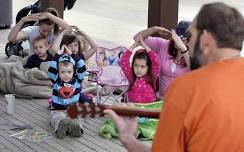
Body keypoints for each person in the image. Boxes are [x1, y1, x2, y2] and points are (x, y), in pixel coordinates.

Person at [104, 2, 244, 152]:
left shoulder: (186, 89)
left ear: (205, 38)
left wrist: (129, 139)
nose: (188, 43)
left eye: (191, 36)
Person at [134, 21, 191, 99]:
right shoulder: (164, 45)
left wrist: (184, 50)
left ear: (189, 40)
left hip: (183, 101)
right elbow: (137, 38)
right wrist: (154, 29)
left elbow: (196, 71)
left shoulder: (195, 54)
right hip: (163, 100)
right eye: (176, 37)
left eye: (181, 39)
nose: (177, 41)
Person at [48, 45, 87, 139]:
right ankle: (60, 127)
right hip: (58, 110)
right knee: (57, 118)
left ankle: (77, 129)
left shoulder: (77, 80)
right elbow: (51, 69)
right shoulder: (56, 79)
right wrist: (57, 55)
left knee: (77, 118)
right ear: (58, 72)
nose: (66, 75)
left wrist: (73, 55)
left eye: (69, 72)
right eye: (63, 72)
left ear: (74, 71)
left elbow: (82, 67)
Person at [120, 35, 160, 103]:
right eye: (136, 65)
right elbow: (124, 60)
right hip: (134, 109)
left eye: (142, 66)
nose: (138, 69)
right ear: (133, 65)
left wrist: (144, 45)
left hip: (149, 108)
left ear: (148, 67)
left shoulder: (152, 76)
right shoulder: (131, 76)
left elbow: (156, 61)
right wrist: (135, 44)